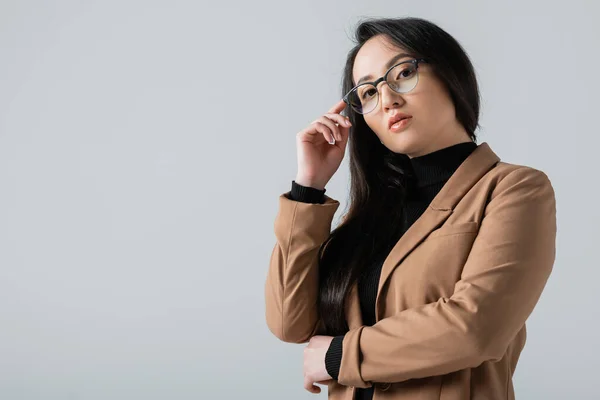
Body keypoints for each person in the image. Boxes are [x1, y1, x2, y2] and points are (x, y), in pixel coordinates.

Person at [264, 16, 556, 400]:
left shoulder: (514, 189)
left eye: (402, 73)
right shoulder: (370, 216)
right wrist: (308, 189)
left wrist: (338, 356)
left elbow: (476, 327)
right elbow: (289, 322)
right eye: (367, 93)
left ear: (450, 73)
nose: (387, 99)